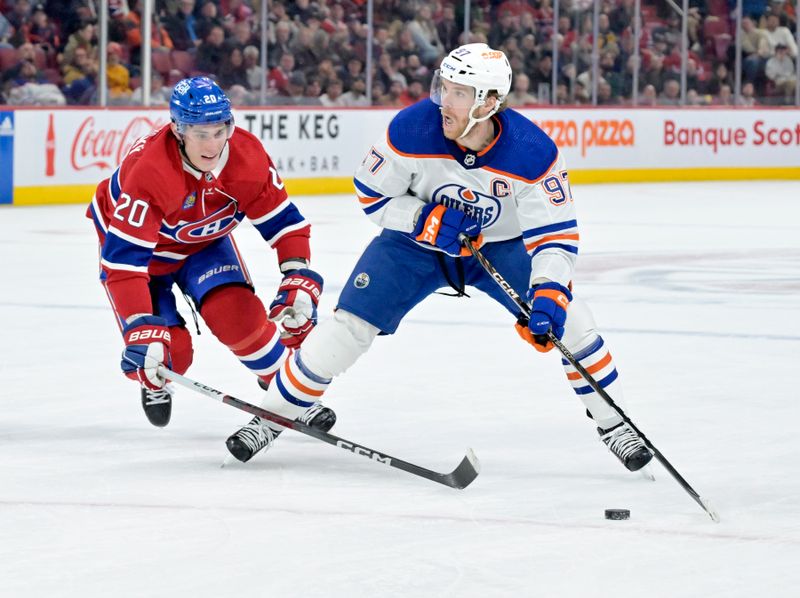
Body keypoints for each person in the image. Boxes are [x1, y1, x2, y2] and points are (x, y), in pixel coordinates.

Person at [224, 43, 654, 474]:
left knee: (572, 321)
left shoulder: (533, 152)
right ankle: (270, 417)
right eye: (443, 87)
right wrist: (420, 218)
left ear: (488, 103)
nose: (443, 101)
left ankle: (614, 424)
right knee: (346, 328)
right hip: (413, 246)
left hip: (500, 247)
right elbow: (371, 194)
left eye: (458, 93)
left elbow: (555, 236)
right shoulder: (411, 129)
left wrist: (549, 293)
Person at [86, 76, 335, 436]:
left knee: (238, 316)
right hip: (145, 258)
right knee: (172, 355)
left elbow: (286, 224)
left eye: (219, 131)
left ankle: (289, 392)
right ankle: (154, 379)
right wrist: (140, 327)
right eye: (201, 134)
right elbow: (124, 265)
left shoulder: (247, 158)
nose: (213, 144)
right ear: (178, 130)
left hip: (202, 242)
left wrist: (296, 271)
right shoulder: (151, 172)